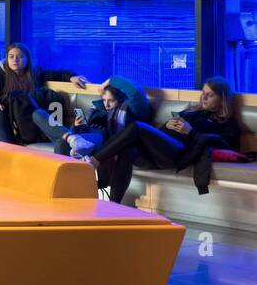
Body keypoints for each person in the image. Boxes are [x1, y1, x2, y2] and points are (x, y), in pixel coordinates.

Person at [84, 77, 240, 201]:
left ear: (222, 99)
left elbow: (225, 145)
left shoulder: (227, 123)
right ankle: (113, 206)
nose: (204, 97)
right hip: (161, 150)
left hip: (179, 154)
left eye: (210, 95)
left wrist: (190, 132)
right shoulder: (191, 112)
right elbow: (161, 133)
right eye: (203, 92)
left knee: (137, 126)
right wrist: (168, 125)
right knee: (128, 150)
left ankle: (94, 160)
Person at [0, 43, 88, 144]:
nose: (15, 60)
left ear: (27, 59)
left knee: (33, 111)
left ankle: (70, 138)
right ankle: (10, 151)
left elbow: (58, 74)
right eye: (11, 57)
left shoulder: (34, 73)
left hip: (19, 121)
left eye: (20, 57)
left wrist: (72, 77)